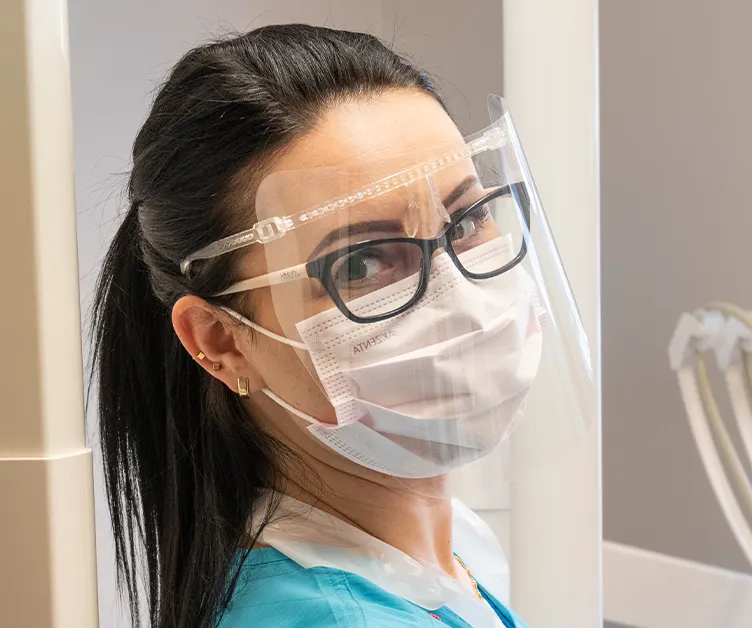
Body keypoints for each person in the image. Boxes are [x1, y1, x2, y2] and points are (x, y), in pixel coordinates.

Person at [91, 23, 586, 628]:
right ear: (219, 340)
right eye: (361, 263)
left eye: (464, 221)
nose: (459, 301)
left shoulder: (437, 559)